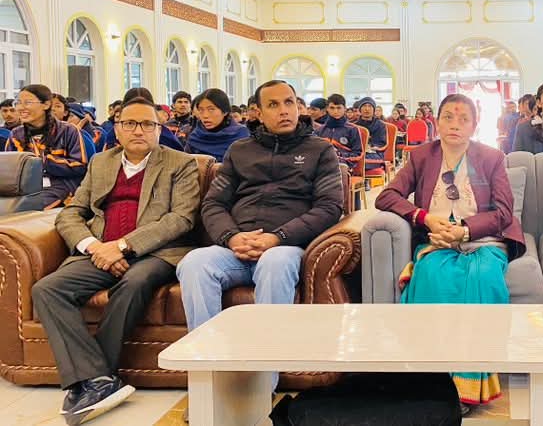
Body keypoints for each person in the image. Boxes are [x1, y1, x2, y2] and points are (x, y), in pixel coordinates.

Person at [33, 97, 200, 425]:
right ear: (117, 129)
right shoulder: (101, 162)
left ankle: (96, 378)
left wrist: (123, 247)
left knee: (134, 281)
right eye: (130, 123)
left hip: (155, 253)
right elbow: (71, 213)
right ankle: (99, 379)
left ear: (159, 129)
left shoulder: (180, 163)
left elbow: (180, 219)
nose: (139, 131)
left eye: (148, 124)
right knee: (47, 289)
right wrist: (94, 247)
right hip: (99, 250)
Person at [177, 80, 344, 391]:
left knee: (275, 263)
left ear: (299, 106)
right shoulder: (240, 151)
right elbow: (213, 203)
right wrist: (231, 237)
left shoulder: (320, 150)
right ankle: (209, 381)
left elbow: (329, 207)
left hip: (286, 246)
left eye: (289, 102)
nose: (284, 110)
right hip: (236, 247)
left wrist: (277, 237)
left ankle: (262, 386)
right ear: (257, 112)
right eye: (273, 105)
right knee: (195, 263)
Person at [375, 93, 525, 414]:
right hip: (437, 240)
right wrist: (424, 217)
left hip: (483, 239)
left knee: (483, 277)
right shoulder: (421, 156)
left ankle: (466, 386)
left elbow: (503, 212)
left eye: (463, 119)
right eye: (448, 117)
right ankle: (432, 382)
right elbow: (387, 196)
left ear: (474, 125)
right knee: (431, 275)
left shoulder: (492, 157)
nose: (455, 124)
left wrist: (465, 230)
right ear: (437, 122)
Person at [5, 84, 89, 209]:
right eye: (18, 103)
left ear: (46, 105)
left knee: (24, 208)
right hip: (24, 188)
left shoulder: (68, 131)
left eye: (27, 102)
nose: (21, 108)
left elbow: (80, 166)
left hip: (59, 186)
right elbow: (9, 169)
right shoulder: (16, 134)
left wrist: (44, 161)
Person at [184, 88, 250, 162]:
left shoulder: (241, 135)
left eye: (211, 109)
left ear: (225, 111)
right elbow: (186, 165)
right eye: (201, 110)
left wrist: (223, 167)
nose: (205, 115)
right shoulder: (194, 137)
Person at [315, 93, 363, 169]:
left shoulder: (353, 129)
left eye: (339, 108)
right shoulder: (319, 130)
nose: (335, 111)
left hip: (343, 166)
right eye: (332, 108)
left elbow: (357, 154)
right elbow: (314, 152)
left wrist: (340, 158)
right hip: (322, 166)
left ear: (345, 109)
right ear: (327, 109)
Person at [354, 96, 388, 175]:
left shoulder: (380, 125)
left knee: (361, 162)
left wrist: (371, 146)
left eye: (369, 106)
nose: (367, 109)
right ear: (360, 110)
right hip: (357, 153)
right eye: (364, 106)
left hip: (374, 153)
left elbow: (381, 143)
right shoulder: (354, 126)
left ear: (373, 110)